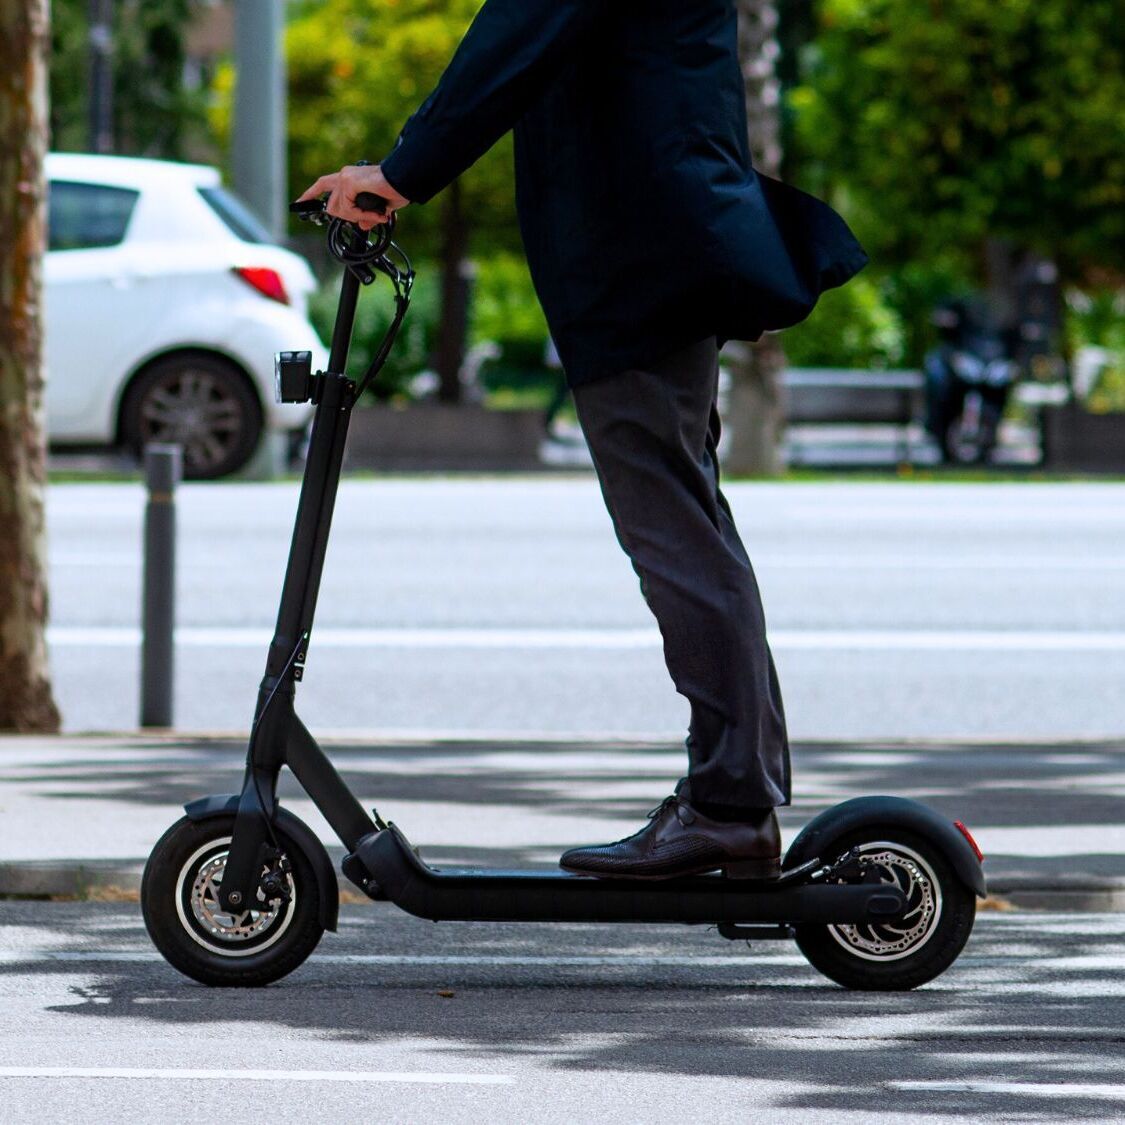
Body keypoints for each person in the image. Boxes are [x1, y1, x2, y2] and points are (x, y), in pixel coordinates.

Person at [300, 0, 868, 882]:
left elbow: (514, 36)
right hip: (659, 247)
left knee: (674, 530)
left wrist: (399, 173)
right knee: (687, 522)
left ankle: (729, 805)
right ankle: (733, 799)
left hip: (639, 261)